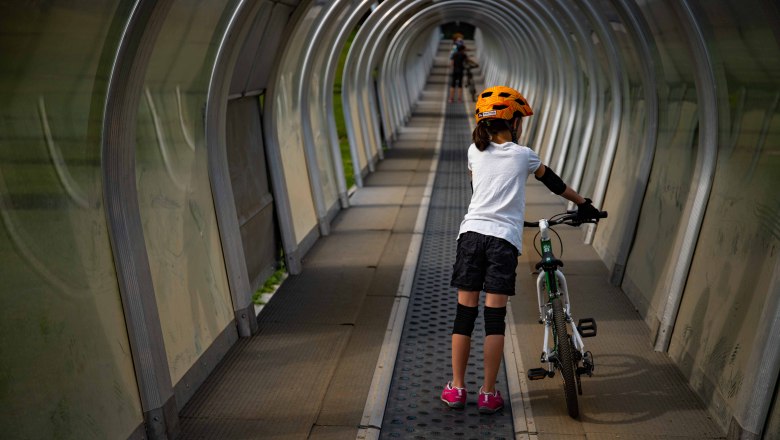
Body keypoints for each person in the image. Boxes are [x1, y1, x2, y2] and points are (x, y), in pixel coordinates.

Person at [440, 86, 601, 414]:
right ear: (512, 121)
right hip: (502, 241)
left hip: (471, 235)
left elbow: (479, 190)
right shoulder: (524, 155)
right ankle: (487, 393)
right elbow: (553, 182)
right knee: (494, 319)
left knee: (464, 316)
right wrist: (584, 204)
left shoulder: (474, 150)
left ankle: (456, 389)